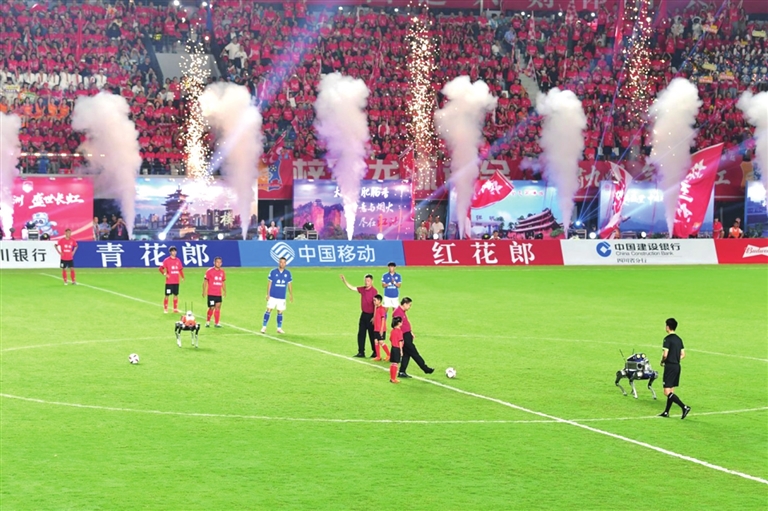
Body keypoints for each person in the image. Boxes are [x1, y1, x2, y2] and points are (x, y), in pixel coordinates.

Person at [393, 297, 434, 378]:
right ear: (405, 304)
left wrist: (410, 332)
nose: (410, 307)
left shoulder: (401, 311)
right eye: (409, 305)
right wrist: (401, 338)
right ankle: (425, 368)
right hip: (404, 336)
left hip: (407, 334)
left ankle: (402, 372)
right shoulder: (398, 313)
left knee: (406, 354)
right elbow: (397, 326)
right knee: (414, 353)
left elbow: (405, 324)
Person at [658, 318, 691, 419]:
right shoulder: (679, 339)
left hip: (670, 367)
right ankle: (666, 412)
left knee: (666, 392)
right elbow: (683, 354)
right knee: (671, 391)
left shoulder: (667, 339)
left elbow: (665, 354)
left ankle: (684, 407)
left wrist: (662, 361)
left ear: (668, 327)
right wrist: (676, 358)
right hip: (677, 366)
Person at [340, 273, 378, 358]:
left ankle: (375, 352)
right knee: (361, 334)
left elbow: (376, 305)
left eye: (368, 281)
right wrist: (344, 281)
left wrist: (374, 317)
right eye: (366, 281)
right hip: (363, 315)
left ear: (372, 281)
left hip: (371, 315)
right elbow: (352, 288)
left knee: (372, 335)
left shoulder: (374, 291)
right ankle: (361, 352)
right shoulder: (362, 289)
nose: (366, 282)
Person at [261, 256, 293, 334]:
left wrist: (291, 294)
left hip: (282, 296)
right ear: (279, 263)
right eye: (281, 262)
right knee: (268, 310)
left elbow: (289, 284)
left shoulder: (288, 273)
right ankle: (264, 327)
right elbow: (269, 283)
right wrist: (268, 294)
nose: (282, 264)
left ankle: (279, 328)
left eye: (284, 262)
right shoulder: (273, 272)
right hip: (273, 295)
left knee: (280, 312)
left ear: (286, 264)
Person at [159, 246, 185, 314]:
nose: (174, 252)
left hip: (176, 281)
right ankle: (165, 309)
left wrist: (182, 277)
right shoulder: (166, 260)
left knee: (176, 295)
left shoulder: (178, 260)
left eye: (175, 251)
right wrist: (165, 274)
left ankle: (175, 309)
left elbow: (180, 270)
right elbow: (160, 268)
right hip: (169, 282)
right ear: (170, 252)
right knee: (167, 295)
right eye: (173, 251)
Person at [203, 256, 226, 328]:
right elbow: (205, 282)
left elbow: (223, 282)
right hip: (211, 294)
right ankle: (208, 321)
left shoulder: (222, 272)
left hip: (218, 294)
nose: (219, 263)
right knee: (212, 308)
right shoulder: (209, 271)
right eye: (217, 262)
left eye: (220, 262)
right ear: (214, 262)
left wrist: (224, 291)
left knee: (218, 308)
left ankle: (217, 323)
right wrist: (204, 291)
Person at [372, 294, 391, 361]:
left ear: (379, 301)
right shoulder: (377, 308)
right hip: (376, 328)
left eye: (375, 300)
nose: (374, 302)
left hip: (380, 329)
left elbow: (383, 319)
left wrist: (382, 329)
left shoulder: (382, 309)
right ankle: (378, 356)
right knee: (376, 341)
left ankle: (389, 355)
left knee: (381, 341)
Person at [388, 316, 404, 384]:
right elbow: (400, 341)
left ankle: (392, 378)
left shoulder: (392, 331)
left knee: (392, 363)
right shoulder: (399, 331)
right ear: (399, 323)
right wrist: (401, 350)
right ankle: (394, 379)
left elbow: (390, 339)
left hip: (393, 348)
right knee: (395, 364)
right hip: (397, 348)